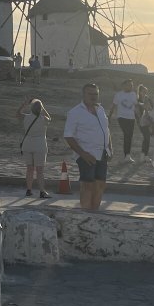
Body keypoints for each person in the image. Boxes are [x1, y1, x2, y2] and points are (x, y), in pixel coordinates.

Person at [64, 82, 112, 212]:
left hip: (103, 153)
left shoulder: (101, 110)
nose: (93, 96)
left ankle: (94, 212)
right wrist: (83, 154)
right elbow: (68, 136)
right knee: (87, 185)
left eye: (96, 94)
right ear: (83, 94)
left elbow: (106, 129)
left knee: (100, 184)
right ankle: (85, 213)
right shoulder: (75, 112)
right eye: (90, 94)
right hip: (87, 154)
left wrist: (110, 148)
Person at [17, 96, 51, 197]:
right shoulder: (44, 119)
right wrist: (43, 107)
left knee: (29, 169)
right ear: (40, 109)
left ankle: (29, 189)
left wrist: (24, 105)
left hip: (28, 144)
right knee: (39, 170)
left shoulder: (27, 117)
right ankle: (41, 191)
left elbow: (17, 114)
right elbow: (50, 118)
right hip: (40, 145)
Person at [109, 79, 139, 161]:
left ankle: (127, 155)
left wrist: (138, 117)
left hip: (131, 118)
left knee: (129, 136)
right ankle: (127, 155)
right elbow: (113, 106)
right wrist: (109, 117)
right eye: (129, 85)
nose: (131, 87)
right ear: (124, 85)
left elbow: (136, 106)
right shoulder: (118, 95)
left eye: (132, 85)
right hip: (121, 117)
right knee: (127, 134)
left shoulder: (133, 94)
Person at [136, 84, 153, 162]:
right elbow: (137, 112)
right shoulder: (138, 101)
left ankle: (144, 155)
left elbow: (152, 108)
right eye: (143, 91)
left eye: (146, 92)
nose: (145, 93)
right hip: (141, 122)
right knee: (146, 137)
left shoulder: (148, 99)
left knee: (147, 138)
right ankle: (143, 156)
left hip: (148, 121)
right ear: (140, 92)